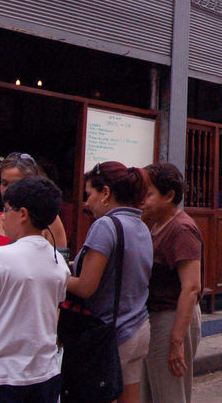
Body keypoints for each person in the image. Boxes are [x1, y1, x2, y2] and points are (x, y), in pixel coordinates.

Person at [0, 176, 70, 403]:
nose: (2, 217)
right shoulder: (57, 261)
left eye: (6, 209)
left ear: (23, 214)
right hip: (44, 373)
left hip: (0, 376)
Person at [67, 162, 153, 403]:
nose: (86, 203)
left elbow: (85, 287)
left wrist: (58, 276)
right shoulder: (141, 226)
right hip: (138, 327)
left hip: (110, 334)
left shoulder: (105, 226)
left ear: (105, 193)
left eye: (89, 195)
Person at [141, 163, 203, 403]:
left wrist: (176, 341)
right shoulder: (156, 225)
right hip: (156, 317)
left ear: (169, 196)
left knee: (169, 394)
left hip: (172, 318)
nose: (143, 201)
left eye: (149, 194)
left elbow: (191, 287)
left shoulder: (182, 229)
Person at [0, 153, 67, 251]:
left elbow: (58, 261)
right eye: (4, 183)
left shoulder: (49, 220)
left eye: (16, 184)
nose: (8, 190)